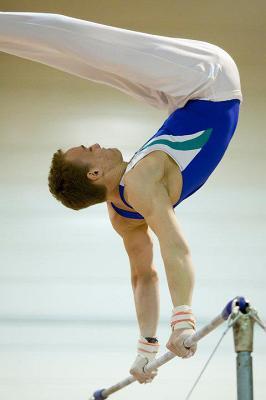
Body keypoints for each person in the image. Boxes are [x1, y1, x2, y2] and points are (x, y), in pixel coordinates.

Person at [0, 12, 242, 384]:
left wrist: (146, 346)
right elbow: (174, 245)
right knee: (81, 42)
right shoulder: (141, 183)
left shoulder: (121, 213)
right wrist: (183, 318)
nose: (95, 143)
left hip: (183, 100)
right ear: (94, 174)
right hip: (208, 79)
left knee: (86, 63)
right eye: (87, 149)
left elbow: (143, 279)